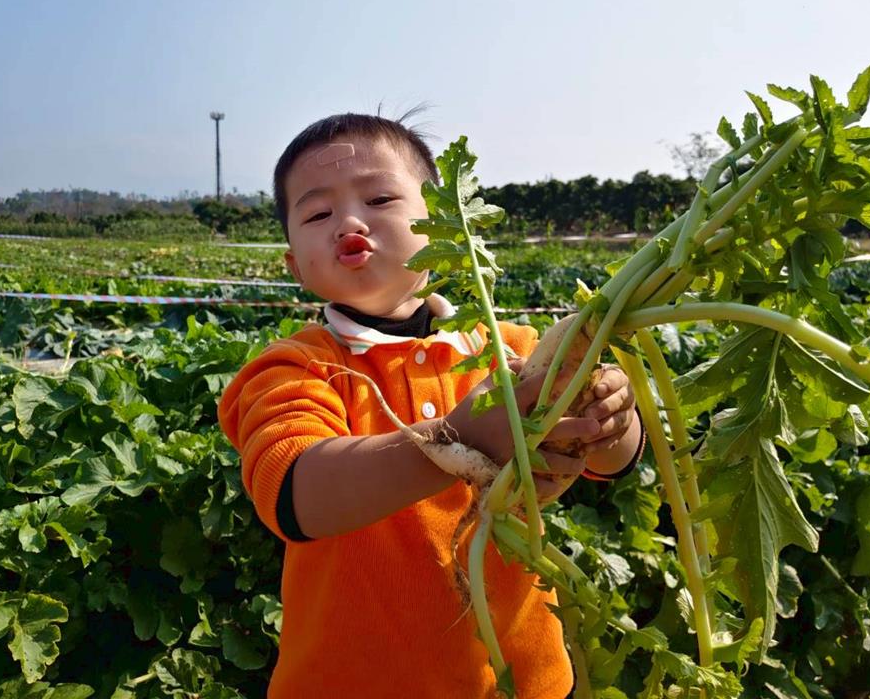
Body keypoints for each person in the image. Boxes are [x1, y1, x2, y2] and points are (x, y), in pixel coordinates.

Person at [218, 112, 644, 699]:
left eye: (379, 199)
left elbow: (613, 462)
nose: (348, 222)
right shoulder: (293, 367)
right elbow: (295, 493)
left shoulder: (512, 350)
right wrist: (453, 441)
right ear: (294, 265)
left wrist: (612, 417)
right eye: (317, 214)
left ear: (442, 230)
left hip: (524, 677)